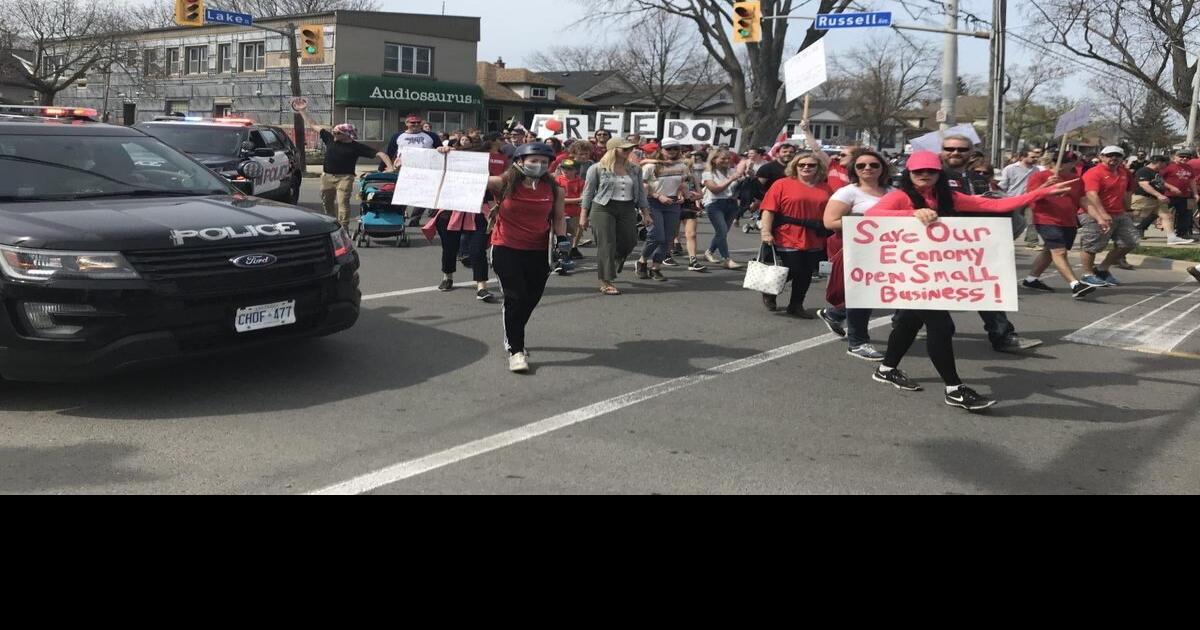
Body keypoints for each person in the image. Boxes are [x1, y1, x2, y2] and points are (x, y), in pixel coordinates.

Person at [863, 151, 1074, 411]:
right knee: (942, 326)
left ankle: (886, 369)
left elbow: (995, 206)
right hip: (908, 272)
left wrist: (1038, 194)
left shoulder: (948, 197)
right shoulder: (901, 196)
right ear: (909, 174)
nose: (925, 175)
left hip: (938, 272)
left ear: (939, 173)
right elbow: (870, 216)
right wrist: (913, 214)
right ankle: (954, 388)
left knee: (909, 321)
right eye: (918, 172)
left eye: (931, 170)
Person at [940, 135, 1041, 353]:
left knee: (985, 289)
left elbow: (992, 204)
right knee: (924, 289)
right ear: (942, 150)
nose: (955, 153)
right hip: (939, 248)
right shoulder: (932, 176)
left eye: (961, 149)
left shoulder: (978, 178)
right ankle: (904, 324)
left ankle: (1003, 336)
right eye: (950, 148)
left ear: (970, 152)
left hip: (975, 247)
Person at [488, 143, 569, 373]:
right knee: (515, 297)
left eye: (544, 162)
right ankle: (516, 351)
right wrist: (447, 156)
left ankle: (512, 331)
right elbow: (464, 178)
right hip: (506, 247)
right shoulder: (502, 183)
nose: (539, 165)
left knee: (531, 299)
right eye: (533, 161)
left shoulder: (554, 189)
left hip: (539, 251)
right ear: (520, 161)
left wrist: (563, 240)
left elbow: (559, 217)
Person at [819, 148, 893, 360]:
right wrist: (863, 222)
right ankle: (858, 342)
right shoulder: (848, 192)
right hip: (857, 250)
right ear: (854, 170)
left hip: (887, 251)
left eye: (873, 165)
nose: (867, 168)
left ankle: (834, 314)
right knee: (862, 294)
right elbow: (829, 222)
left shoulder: (894, 192)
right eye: (861, 165)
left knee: (876, 293)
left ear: (883, 168)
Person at [758, 150, 834, 318]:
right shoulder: (781, 184)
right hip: (787, 233)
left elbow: (833, 211)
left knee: (806, 272)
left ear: (818, 168)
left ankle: (796, 305)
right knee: (793, 269)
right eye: (802, 164)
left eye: (811, 165)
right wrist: (766, 232)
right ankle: (770, 290)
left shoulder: (826, 187)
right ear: (795, 166)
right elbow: (768, 210)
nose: (806, 167)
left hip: (815, 234)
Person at [295, 102, 393, 228]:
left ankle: (343, 228)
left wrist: (389, 167)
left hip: (345, 178)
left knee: (342, 202)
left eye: (337, 133)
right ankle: (331, 223)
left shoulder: (356, 147)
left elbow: (380, 154)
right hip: (327, 176)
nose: (334, 134)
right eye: (334, 132)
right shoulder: (329, 138)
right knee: (327, 202)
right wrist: (302, 111)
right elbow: (313, 125)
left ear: (346, 134)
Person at [1021, 151, 1100, 299]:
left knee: (1049, 251)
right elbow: (1030, 196)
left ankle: (1031, 279)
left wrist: (1099, 217)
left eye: (1066, 161)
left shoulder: (1076, 179)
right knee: (1059, 252)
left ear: (1073, 163)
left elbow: (1082, 200)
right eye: (1059, 161)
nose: (1062, 164)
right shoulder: (1040, 176)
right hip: (1046, 219)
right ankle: (1075, 285)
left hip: (1068, 221)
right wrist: (1046, 185)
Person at [581, 137, 652, 296]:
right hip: (603, 207)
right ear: (613, 150)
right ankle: (606, 281)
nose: (629, 152)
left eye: (630, 149)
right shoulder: (597, 168)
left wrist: (645, 213)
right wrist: (583, 216)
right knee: (606, 243)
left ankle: (613, 262)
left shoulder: (635, 169)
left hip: (627, 207)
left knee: (630, 240)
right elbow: (588, 193)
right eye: (625, 149)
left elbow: (640, 193)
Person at [430, 136, 495, 302]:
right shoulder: (448, 169)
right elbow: (427, 169)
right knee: (449, 248)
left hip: (478, 213)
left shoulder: (487, 174)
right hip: (450, 213)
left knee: (477, 250)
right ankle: (447, 277)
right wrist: (440, 153)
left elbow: (496, 193)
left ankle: (481, 287)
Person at [1076, 146, 1141, 287]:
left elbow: (1125, 193)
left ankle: (1102, 269)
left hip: (1118, 213)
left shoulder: (1122, 172)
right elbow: (1091, 194)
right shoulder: (1094, 172)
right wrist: (1103, 214)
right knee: (1092, 245)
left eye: (1118, 156)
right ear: (1102, 157)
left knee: (1131, 242)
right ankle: (1087, 275)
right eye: (1110, 155)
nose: (1114, 158)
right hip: (1093, 213)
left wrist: (1128, 209)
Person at [637, 138, 693, 279]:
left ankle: (656, 267)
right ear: (660, 150)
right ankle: (642, 261)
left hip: (673, 203)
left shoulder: (682, 166)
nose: (672, 151)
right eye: (668, 149)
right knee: (656, 236)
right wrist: (657, 195)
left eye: (675, 148)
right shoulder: (650, 166)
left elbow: (682, 183)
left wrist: (681, 193)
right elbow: (642, 187)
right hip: (653, 202)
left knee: (668, 238)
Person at [701, 148, 750, 270]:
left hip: (731, 204)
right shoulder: (707, 173)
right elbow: (715, 189)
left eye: (728, 158)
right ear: (714, 159)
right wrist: (732, 179)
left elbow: (739, 187)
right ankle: (726, 259)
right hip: (714, 204)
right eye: (723, 158)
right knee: (722, 231)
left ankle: (709, 252)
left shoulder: (732, 171)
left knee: (722, 233)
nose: (726, 161)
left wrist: (745, 177)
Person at [1133, 155, 1191, 244]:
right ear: (1159, 162)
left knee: (1167, 216)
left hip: (1156, 199)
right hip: (1143, 198)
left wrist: (1172, 188)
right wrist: (1159, 195)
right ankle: (1126, 229)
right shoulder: (1143, 171)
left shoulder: (1156, 172)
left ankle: (1172, 238)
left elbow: (1161, 182)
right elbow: (1144, 184)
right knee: (1133, 214)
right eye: (1165, 163)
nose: (1166, 166)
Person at [997, 148, 1040, 249]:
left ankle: (1032, 242)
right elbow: (1003, 185)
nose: (1035, 159)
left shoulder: (1036, 170)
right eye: (1032, 157)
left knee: (1031, 220)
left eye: (1036, 157)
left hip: (1029, 200)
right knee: (1014, 222)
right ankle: (1006, 240)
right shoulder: (1010, 169)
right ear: (1022, 157)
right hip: (1013, 200)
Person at [1162, 148, 1199, 241]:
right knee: (1158, 212)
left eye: (1187, 157)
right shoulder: (1169, 167)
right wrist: (1170, 187)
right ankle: (1141, 228)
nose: (1184, 158)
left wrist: (1195, 193)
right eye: (1182, 156)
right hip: (1168, 194)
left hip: (1184, 195)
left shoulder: (1189, 168)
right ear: (1175, 157)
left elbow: (1192, 181)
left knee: (1185, 214)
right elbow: (1159, 179)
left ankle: (1182, 233)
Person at [555, 159, 587, 259]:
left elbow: (584, 198)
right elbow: (557, 199)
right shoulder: (557, 180)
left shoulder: (581, 182)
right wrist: (576, 200)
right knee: (560, 234)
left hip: (574, 213)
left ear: (575, 170)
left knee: (571, 234)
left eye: (569, 169)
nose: (565, 171)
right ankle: (560, 253)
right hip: (560, 213)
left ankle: (567, 253)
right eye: (563, 168)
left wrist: (565, 200)